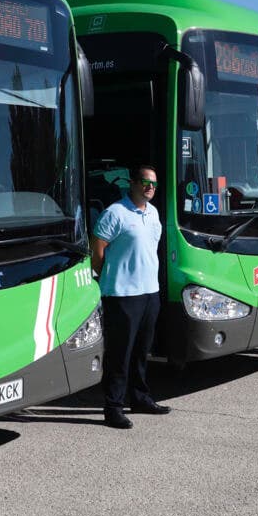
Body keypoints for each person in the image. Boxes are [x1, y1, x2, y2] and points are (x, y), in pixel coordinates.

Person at [91, 164, 170, 429]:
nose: (150, 188)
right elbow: (98, 247)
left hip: (149, 293)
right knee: (119, 354)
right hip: (123, 294)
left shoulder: (154, 213)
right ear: (133, 184)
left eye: (154, 184)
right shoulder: (116, 213)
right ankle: (113, 407)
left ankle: (140, 398)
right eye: (146, 182)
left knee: (141, 351)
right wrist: (105, 277)